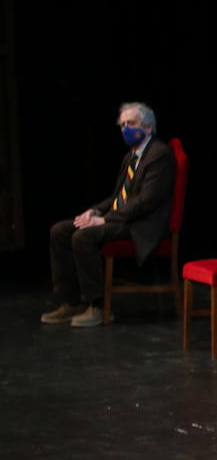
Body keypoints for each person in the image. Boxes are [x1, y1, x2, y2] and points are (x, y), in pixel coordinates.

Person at [43, 102, 175, 328]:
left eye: (131, 123)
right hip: (125, 218)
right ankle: (72, 302)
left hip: (142, 225)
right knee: (60, 231)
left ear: (149, 127)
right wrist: (95, 210)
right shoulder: (131, 157)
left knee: (83, 236)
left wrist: (104, 219)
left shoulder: (159, 154)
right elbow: (118, 197)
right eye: (122, 124)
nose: (125, 129)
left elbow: (146, 201)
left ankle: (97, 306)